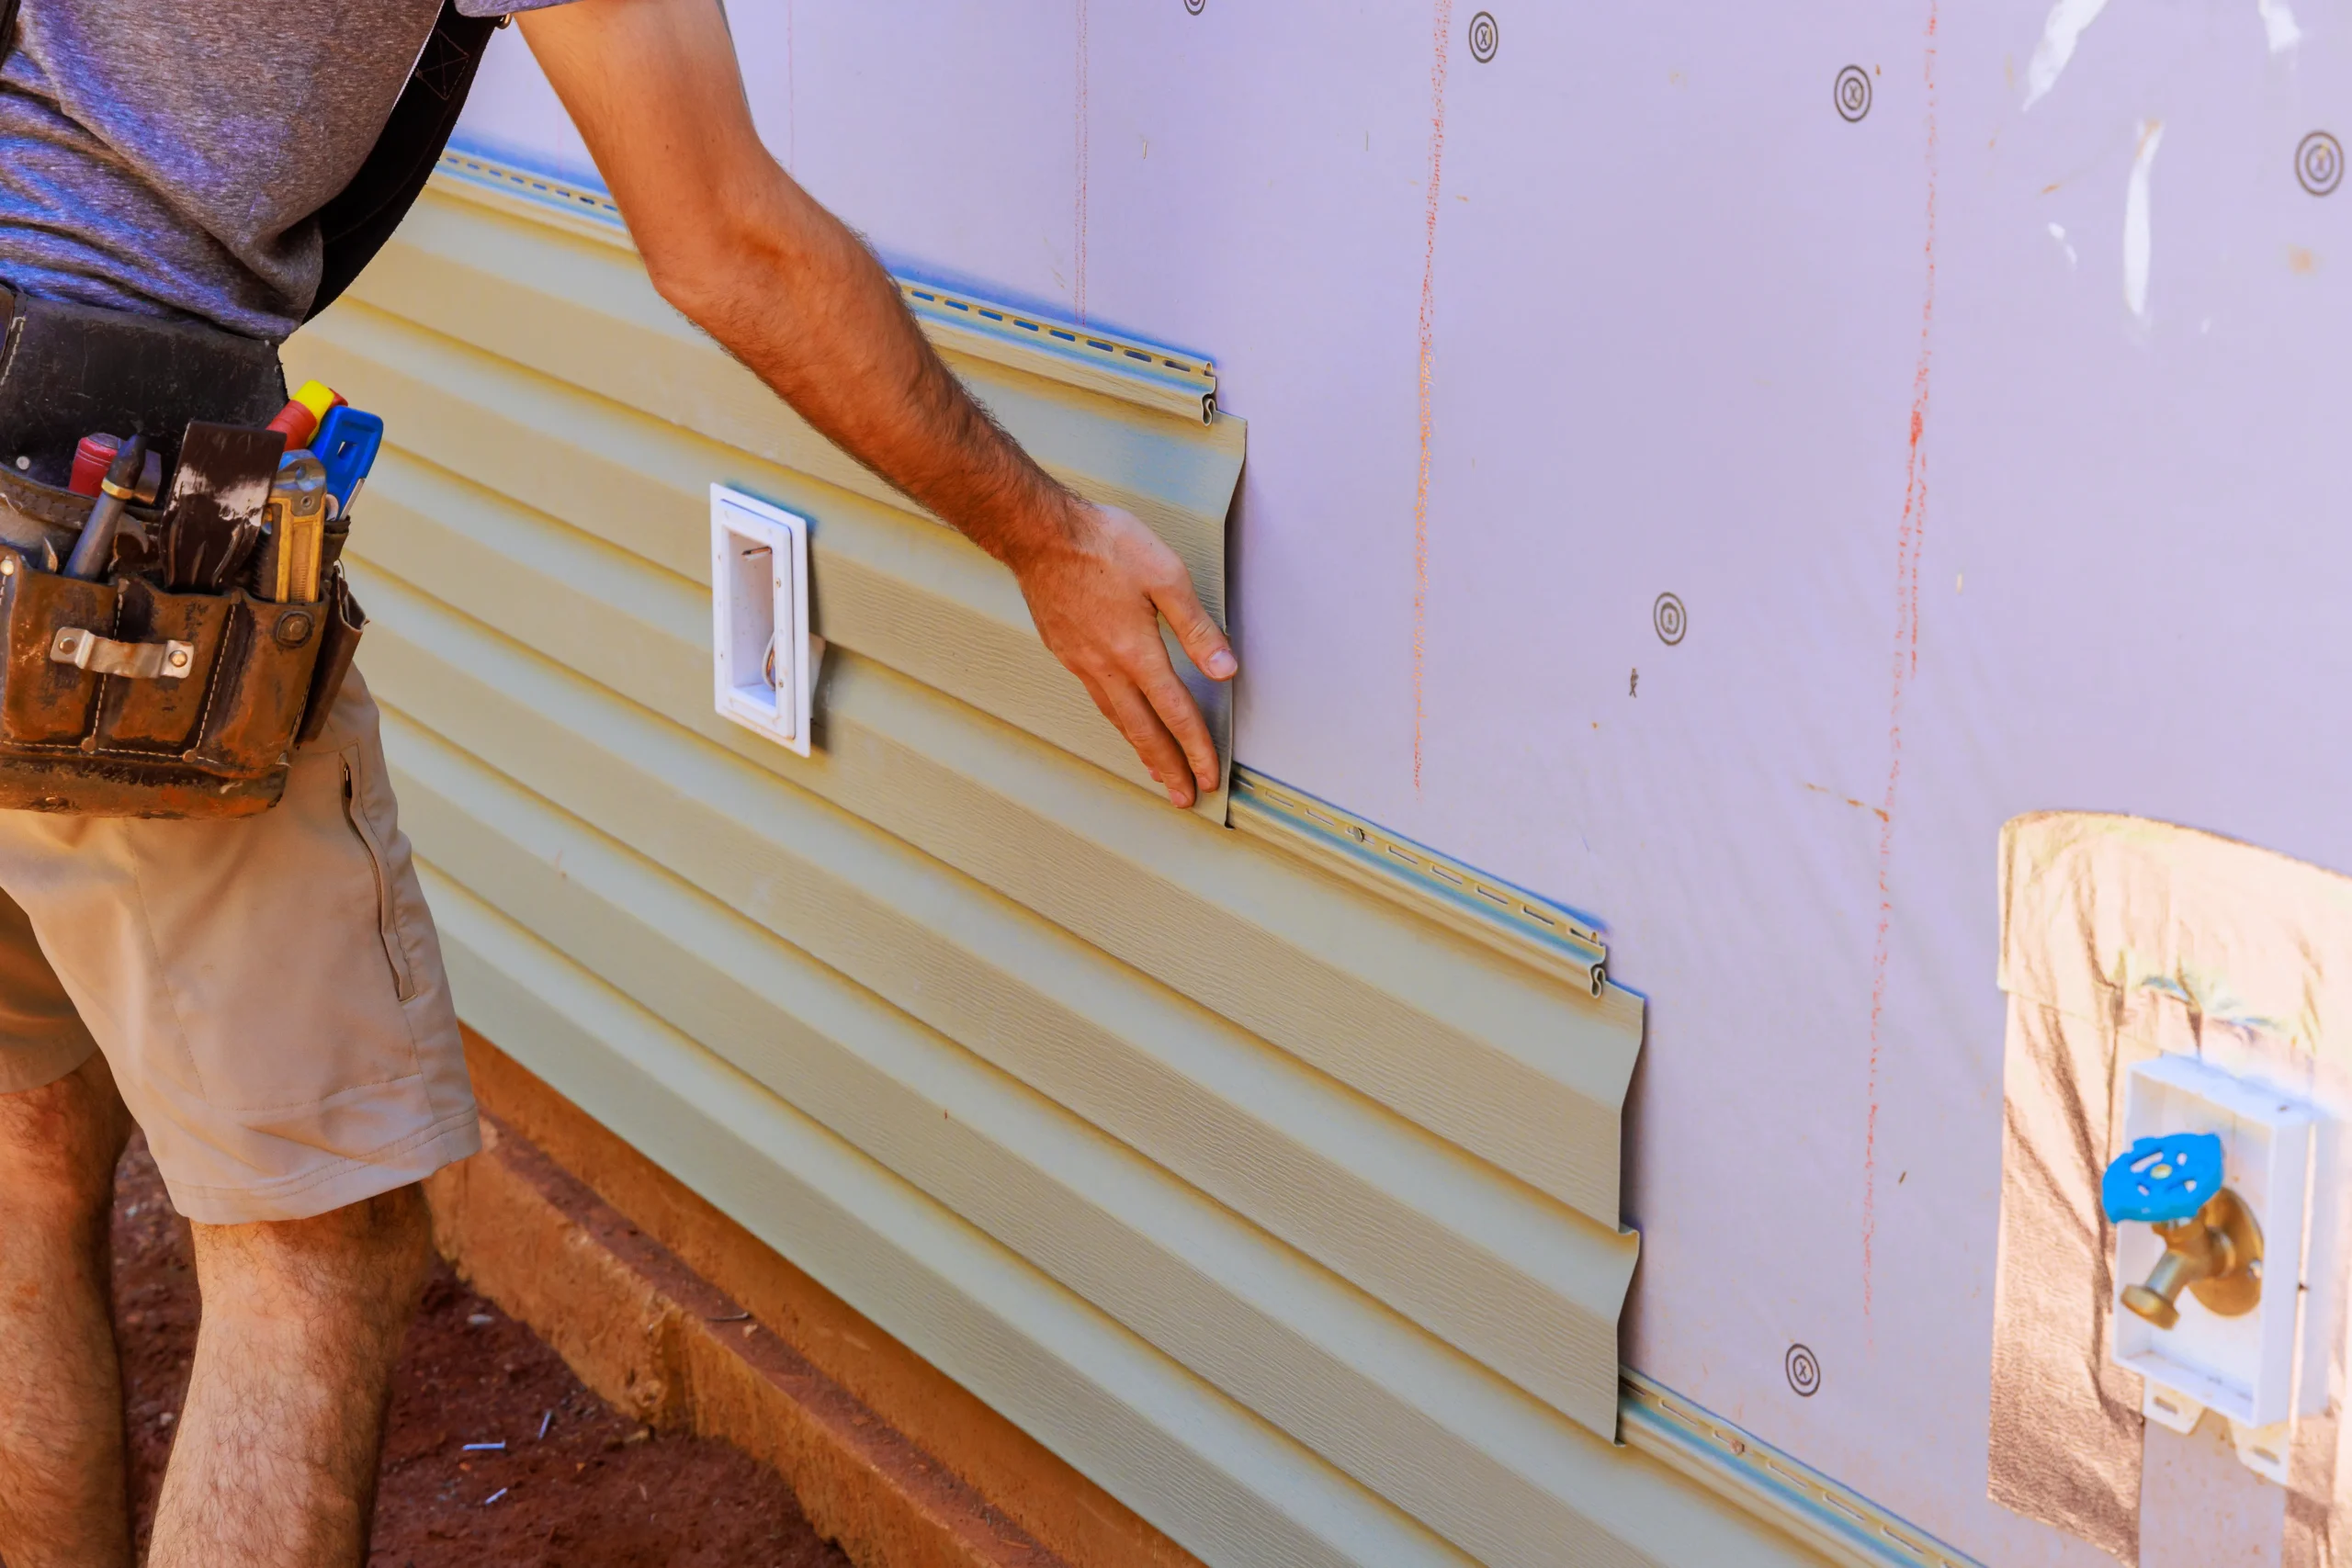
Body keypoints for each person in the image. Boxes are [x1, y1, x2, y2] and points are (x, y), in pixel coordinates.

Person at [0, 0, 1237, 1562]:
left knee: (25, 1148)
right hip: (97, 520)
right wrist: (1046, 536)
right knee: (314, 1251)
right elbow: (726, 240)